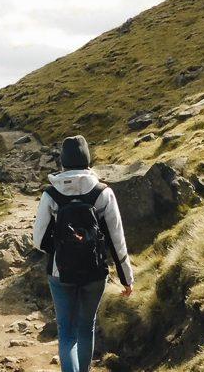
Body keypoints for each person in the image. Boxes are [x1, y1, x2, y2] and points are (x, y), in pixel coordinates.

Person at [32, 135, 134, 372]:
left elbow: (38, 240)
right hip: (95, 272)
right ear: (88, 160)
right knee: (86, 327)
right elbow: (116, 240)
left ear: (63, 162)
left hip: (60, 273)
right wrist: (126, 278)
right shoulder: (103, 192)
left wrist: (60, 249)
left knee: (66, 333)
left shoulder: (51, 194)